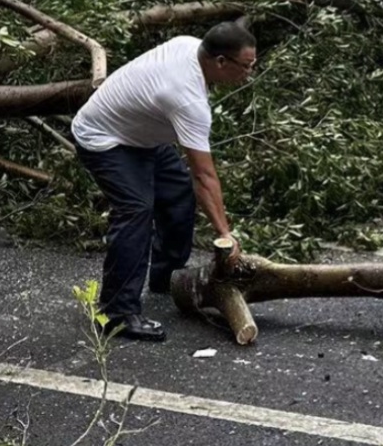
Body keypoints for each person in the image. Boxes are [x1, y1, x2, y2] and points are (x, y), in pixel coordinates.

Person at [72, 22, 255, 342]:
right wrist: (225, 234)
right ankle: (116, 313)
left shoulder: (191, 44)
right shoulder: (186, 98)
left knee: (177, 194)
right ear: (221, 62)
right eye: (246, 66)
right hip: (103, 138)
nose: (249, 73)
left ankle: (165, 278)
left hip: (140, 137)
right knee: (136, 211)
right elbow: (204, 175)